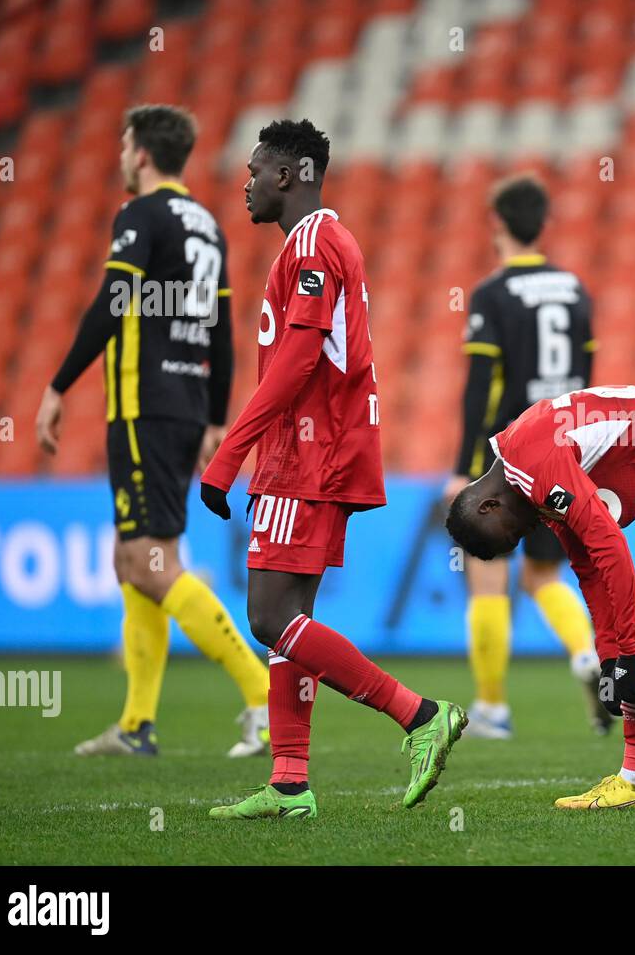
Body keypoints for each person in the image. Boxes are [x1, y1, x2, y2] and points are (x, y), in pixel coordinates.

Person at [199, 119, 464, 819]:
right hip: (317, 452)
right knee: (293, 620)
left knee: (268, 617)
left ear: (292, 174)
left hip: (306, 454)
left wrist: (231, 454)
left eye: (256, 169)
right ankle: (290, 782)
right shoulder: (309, 244)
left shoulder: (314, 240)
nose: (246, 182)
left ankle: (420, 715)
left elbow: (298, 361)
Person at [35, 104, 269, 759]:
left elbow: (115, 301)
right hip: (187, 403)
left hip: (144, 404)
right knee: (133, 559)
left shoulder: (141, 216)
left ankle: (262, 693)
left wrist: (57, 386)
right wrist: (216, 417)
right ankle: (137, 724)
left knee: (148, 561)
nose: (118, 156)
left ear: (140, 154)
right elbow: (222, 331)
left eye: (122, 144)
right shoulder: (208, 226)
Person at [447, 385, 635, 808]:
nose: (524, 534)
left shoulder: (533, 467)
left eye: (511, 534)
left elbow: (608, 543)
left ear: (488, 506)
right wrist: (609, 653)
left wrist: (629, 652)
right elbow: (588, 566)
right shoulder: (524, 474)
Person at [442, 173, 607, 739]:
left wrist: (466, 469)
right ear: (544, 225)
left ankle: (492, 707)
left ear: (497, 224)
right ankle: (587, 654)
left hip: (507, 454)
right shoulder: (576, 289)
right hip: (564, 449)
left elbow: (480, 387)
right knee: (542, 575)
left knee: (487, 577)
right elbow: (586, 380)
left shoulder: (492, 294)